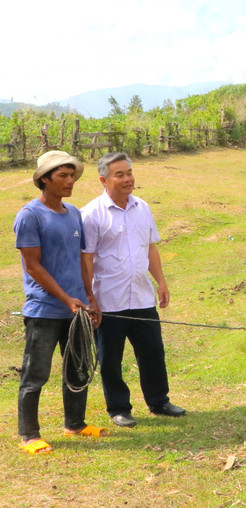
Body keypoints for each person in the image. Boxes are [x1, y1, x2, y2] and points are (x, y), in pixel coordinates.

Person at [81, 152, 187, 428]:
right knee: (111, 358)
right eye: (120, 174)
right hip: (108, 300)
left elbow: (150, 247)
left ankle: (159, 400)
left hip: (142, 295)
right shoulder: (91, 214)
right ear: (104, 180)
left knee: (153, 351)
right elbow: (87, 258)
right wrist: (89, 298)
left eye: (129, 172)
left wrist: (161, 282)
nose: (128, 178)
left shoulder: (143, 207)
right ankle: (118, 408)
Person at [13, 150, 106, 455]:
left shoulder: (74, 213)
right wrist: (67, 299)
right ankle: (29, 434)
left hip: (76, 308)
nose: (70, 182)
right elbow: (33, 267)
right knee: (36, 373)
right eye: (63, 176)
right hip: (45, 310)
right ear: (44, 180)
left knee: (78, 369)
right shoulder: (30, 215)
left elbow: (80, 259)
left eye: (72, 176)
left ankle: (75, 424)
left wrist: (90, 297)